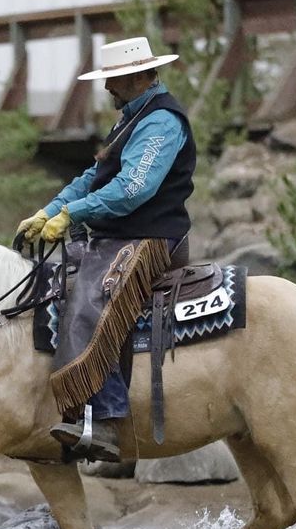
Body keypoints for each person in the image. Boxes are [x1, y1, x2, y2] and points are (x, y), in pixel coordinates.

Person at [16, 36, 197, 462]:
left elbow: (134, 188)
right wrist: (51, 210)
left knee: (89, 301)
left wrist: (73, 215)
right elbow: (93, 177)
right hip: (123, 233)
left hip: (152, 236)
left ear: (136, 76)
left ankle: (105, 418)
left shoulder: (161, 122)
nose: (107, 88)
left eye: (113, 80)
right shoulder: (132, 119)